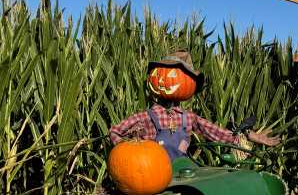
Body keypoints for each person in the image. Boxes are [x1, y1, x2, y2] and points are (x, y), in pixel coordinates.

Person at [109, 51, 279, 160]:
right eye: (161, 73)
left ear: (190, 84)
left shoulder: (188, 117)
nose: (164, 80)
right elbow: (115, 131)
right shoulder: (145, 117)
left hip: (182, 174)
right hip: (150, 175)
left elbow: (215, 133)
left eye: (175, 74)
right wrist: (129, 154)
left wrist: (246, 135)